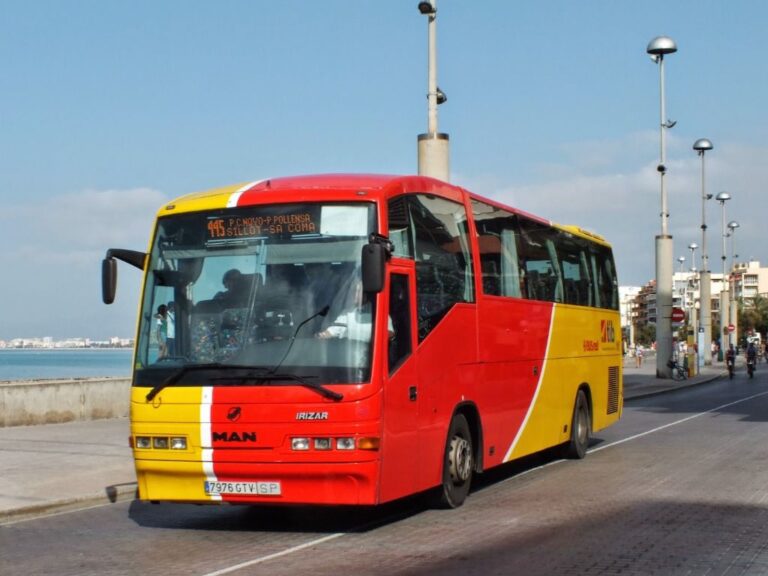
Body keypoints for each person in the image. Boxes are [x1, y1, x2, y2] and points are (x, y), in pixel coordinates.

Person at [316, 280, 393, 342]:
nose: (355, 294)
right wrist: (321, 335)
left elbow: (389, 335)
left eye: (358, 291)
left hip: (370, 353)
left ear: (366, 293)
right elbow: (334, 330)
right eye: (354, 291)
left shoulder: (381, 312)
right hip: (349, 353)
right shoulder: (347, 313)